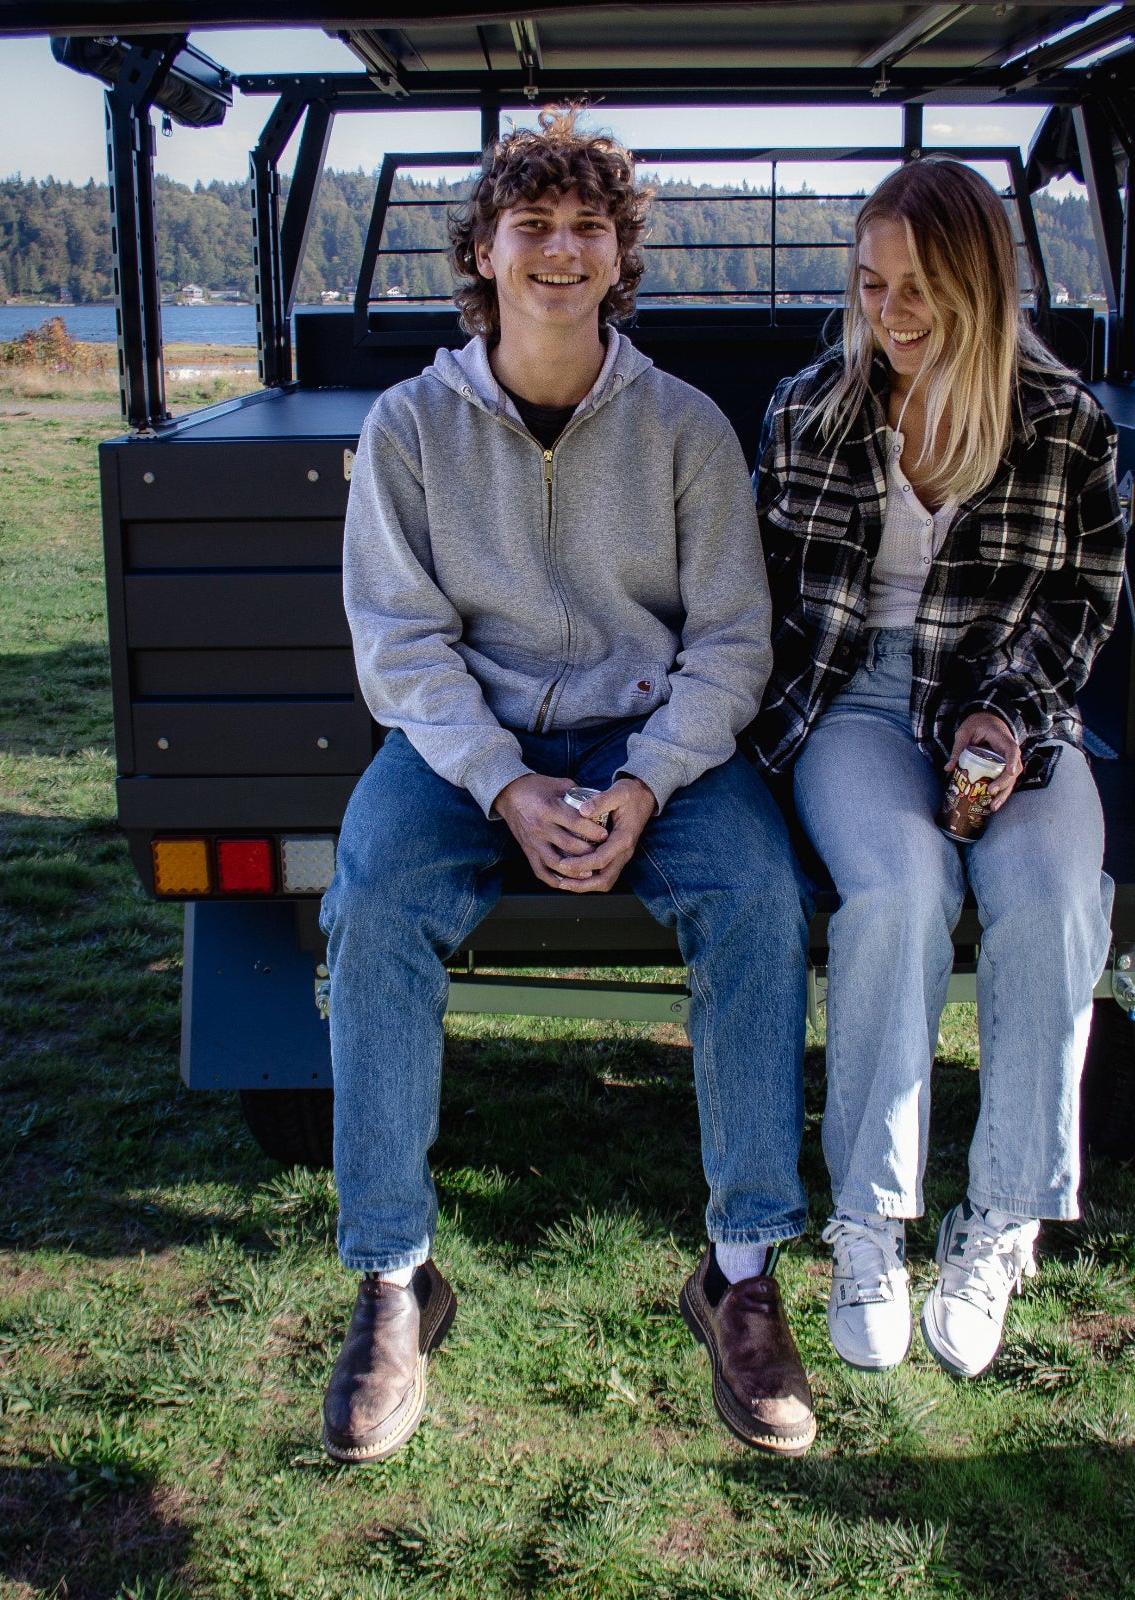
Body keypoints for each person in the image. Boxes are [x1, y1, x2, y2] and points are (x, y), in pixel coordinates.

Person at [319, 110, 817, 1464]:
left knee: (761, 900)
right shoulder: (413, 427)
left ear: (620, 256)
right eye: (530, 225)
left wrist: (648, 786)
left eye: (586, 227)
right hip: (468, 750)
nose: (559, 249)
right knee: (368, 903)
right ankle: (393, 1281)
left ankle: (740, 1270)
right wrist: (502, 787)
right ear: (480, 252)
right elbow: (400, 645)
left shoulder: (685, 428)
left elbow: (730, 643)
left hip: (650, 747)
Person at [744, 157, 1124, 1378]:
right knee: (901, 893)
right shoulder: (812, 409)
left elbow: (1079, 608)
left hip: (1004, 703)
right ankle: (870, 1222)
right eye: (870, 287)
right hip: (852, 702)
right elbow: (764, 604)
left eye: (918, 289)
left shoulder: (1064, 422)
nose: (892, 315)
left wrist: (1005, 726)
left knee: (1057, 900)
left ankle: (998, 1219)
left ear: (981, 284)